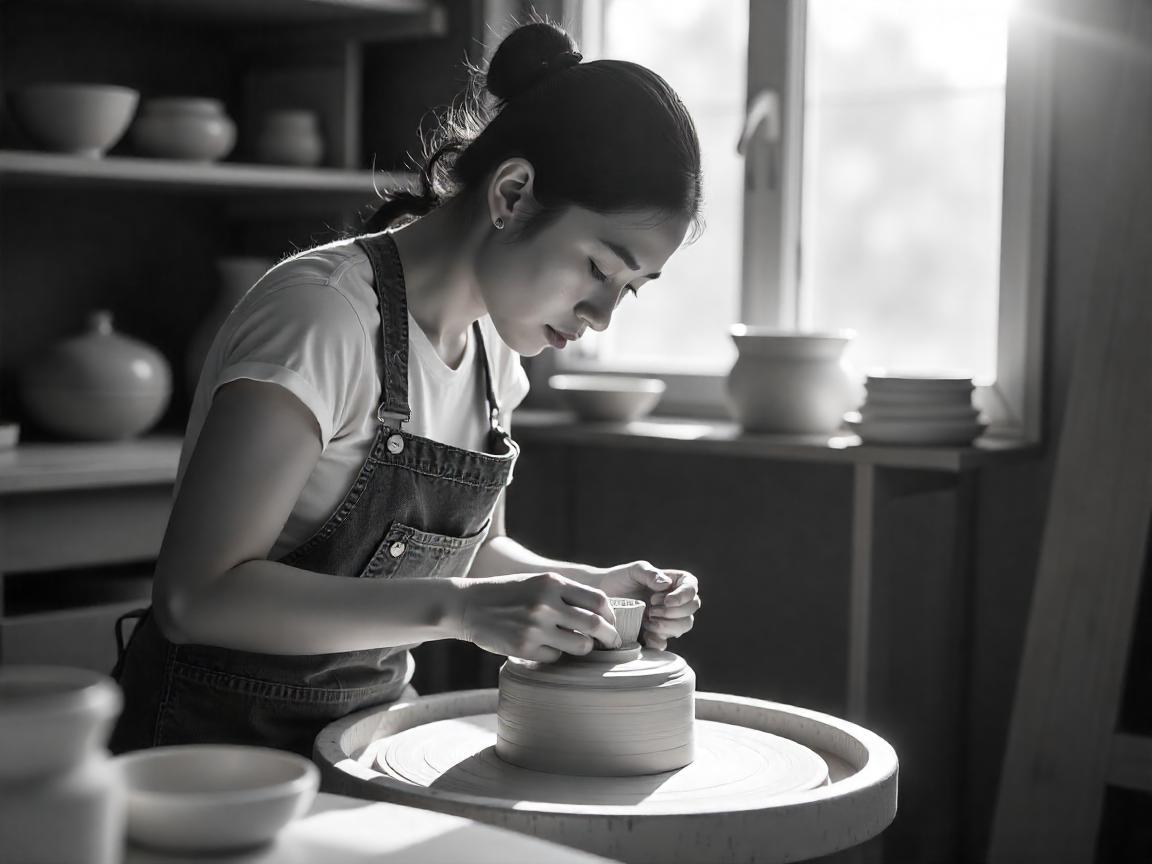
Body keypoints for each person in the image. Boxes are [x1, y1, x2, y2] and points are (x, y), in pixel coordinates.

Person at [109, 20, 704, 758]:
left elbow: (466, 556)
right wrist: (460, 611)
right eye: (597, 268)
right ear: (513, 195)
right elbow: (197, 597)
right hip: (206, 754)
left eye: (632, 290)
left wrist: (587, 588)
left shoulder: (495, 352)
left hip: (361, 735)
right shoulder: (322, 316)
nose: (602, 316)